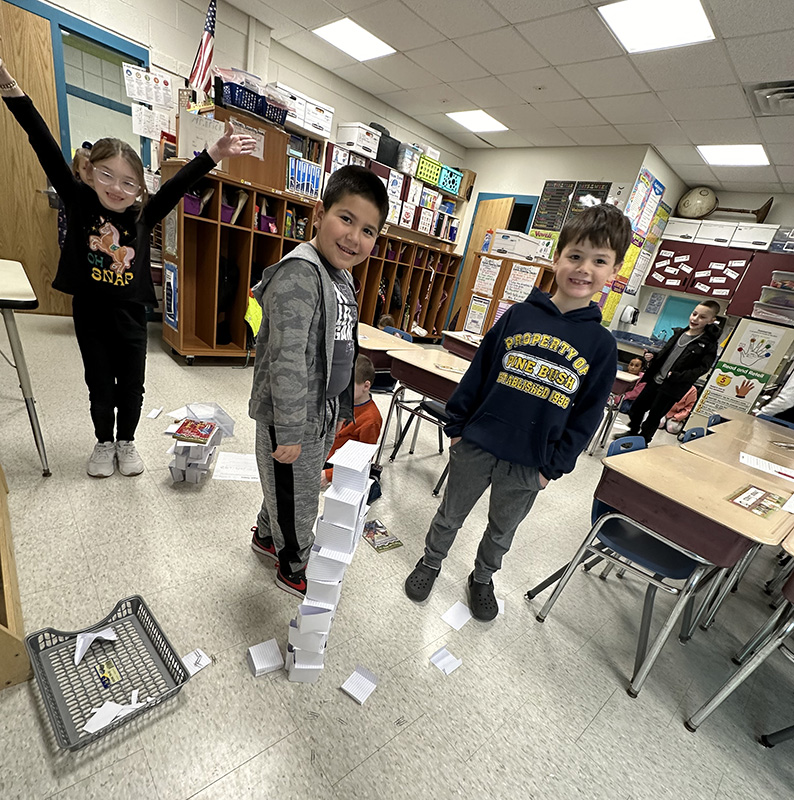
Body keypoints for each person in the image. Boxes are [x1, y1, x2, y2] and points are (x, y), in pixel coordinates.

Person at [0, 53, 255, 478]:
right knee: (99, 385)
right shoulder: (79, 202)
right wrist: (10, 86)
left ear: (138, 187)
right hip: (91, 313)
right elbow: (42, 142)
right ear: (88, 174)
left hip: (132, 315)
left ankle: (126, 440)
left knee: (131, 387)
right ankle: (103, 442)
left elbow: (176, 186)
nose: (117, 189)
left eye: (128, 182)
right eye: (106, 176)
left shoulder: (142, 215)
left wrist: (214, 152)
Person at [404, 202, 631, 620]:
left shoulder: (601, 345)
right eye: (575, 256)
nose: (583, 269)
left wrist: (553, 467)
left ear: (613, 273)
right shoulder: (519, 315)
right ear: (556, 258)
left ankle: (483, 578)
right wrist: (457, 427)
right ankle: (431, 561)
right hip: (477, 445)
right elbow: (480, 371)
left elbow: (587, 417)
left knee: (502, 530)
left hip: (530, 464)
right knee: (450, 513)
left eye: (599, 261)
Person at [248, 165, 389, 598]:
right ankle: (293, 564)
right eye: (345, 219)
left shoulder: (341, 274)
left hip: (319, 410)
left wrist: (339, 408)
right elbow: (286, 360)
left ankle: (267, 535)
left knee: (288, 487)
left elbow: (342, 344)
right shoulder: (300, 274)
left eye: (368, 230)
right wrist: (289, 430)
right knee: (301, 496)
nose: (354, 238)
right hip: (293, 415)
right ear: (319, 212)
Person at [623, 301, 720, 444]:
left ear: (711, 320)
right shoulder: (680, 332)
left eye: (702, 317)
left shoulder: (708, 344)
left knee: (654, 417)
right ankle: (632, 432)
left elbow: (702, 369)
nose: (695, 319)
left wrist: (677, 376)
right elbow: (666, 354)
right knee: (637, 408)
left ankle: (642, 441)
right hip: (656, 380)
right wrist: (653, 357)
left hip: (672, 386)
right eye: (694, 314)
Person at [321, 354, 382, 487]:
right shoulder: (338, 401)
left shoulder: (371, 419)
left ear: (366, 386)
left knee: (367, 489)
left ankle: (373, 477)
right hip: (326, 454)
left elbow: (363, 458)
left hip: (344, 464)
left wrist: (329, 475)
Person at [58, 143, 92, 249]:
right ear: (77, 168)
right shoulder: (71, 192)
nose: (89, 173)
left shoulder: (102, 192)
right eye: (84, 168)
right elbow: (63, 226)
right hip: (75, 247)